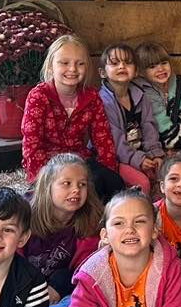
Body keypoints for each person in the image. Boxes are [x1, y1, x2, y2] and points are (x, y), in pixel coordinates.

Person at [21, 35, 124, 200]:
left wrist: (108, 171)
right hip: (49, 163)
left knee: (113, 184)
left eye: (80, 63)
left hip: (79, 160)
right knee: (51, 197)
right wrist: (41, 180)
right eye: (64, 63)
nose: (73, 69)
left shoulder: (91, 97)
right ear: (50, 67)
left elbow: (103, 140)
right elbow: (32, 145)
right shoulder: (39, 97)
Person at [21, 153, 104, 307]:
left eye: (82, 184)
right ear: (48, 186)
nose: (76, 190)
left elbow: (85, 270)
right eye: (67, 183)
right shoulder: (23, 214)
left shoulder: (90, 224)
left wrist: (58, 286)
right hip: (20, 289)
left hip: (61, 293)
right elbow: (8, 258)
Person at [99, 43, 164, 194]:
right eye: (115, 63)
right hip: (116, 159)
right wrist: (138, 160)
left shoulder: (141, 96)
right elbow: (114, 140)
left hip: (140, 153)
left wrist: (155, 154)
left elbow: (149, 127)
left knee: (164, 174)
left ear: (135, 72)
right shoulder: (103, 102)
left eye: (128, 62)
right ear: (102, 72)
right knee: (142, 183)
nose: (122, 66)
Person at [136, 41, 181, 152]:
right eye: (152, 66)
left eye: (164, 63)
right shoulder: (143, 92)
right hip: (158, 143)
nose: (160, 69)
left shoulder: (179, 84)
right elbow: (161, 123)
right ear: (141, 72)